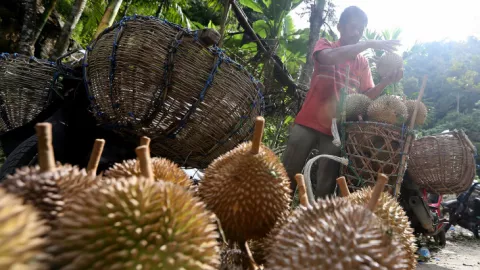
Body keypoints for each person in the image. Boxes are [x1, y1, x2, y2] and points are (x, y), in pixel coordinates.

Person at [282, 6, 403, 199]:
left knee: (326, 185)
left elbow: (366, 97)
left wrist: (387, 81)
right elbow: (327, 58)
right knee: (286, 174)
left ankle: (318, 224)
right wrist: (367, 43)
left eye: (361, 30)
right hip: (308, 121)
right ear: (340, 27)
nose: (357, 33)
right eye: (353, 27)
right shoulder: (326, 45)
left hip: (336, 130)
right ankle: (272, 218)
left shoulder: (362, 63)